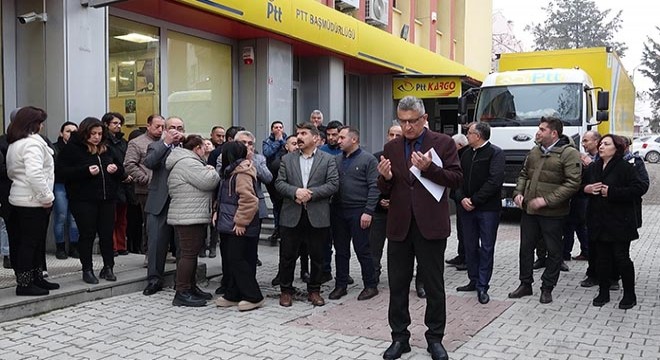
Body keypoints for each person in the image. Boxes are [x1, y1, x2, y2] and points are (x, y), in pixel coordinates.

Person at [376, 96, 462, 360]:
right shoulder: (392, 147)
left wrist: (430, 169)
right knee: (398, 285)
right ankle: (399, 337)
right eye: (402, 121)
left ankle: (435, 338)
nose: (408, 126)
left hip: (431, 225)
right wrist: (385, 178)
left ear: (424, 118)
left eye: (413, 121)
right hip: (400, 225)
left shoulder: (444, 143)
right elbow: (386, 189)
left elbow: (456, 179)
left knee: (434, 286)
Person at [509, 117, 581, 304]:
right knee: (525, 249)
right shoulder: (534, 151)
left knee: (554, 251)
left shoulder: (569, 153)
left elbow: (573, 183)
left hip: (554, 214)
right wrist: (518, 192)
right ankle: (525, 284)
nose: (538, 132)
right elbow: (524, 174)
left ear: (553, 133)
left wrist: (547, 201)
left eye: (542, 129)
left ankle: (547, 287)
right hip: (529, 212)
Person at [275, 122, 339, 308]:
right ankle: (286, 291)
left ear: (316, 138)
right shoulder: (287, 159)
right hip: (291, 215)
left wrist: (310, 194)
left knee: (318, 256)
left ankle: (314, 291)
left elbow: (333, 184)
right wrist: (295, 192)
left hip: (317, 215)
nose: (299, 137)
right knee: (287, 256)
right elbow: (279, 183)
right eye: (297, 133)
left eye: (303, 133)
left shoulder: (328, 160)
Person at [57, 117, 127, 284]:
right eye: (93, 133)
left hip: (107, 198)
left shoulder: (106, 148)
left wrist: (116, 169)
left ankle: (108, 267)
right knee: (87, 234)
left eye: (99, 133)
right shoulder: (73, 149)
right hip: (83, 200)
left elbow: (121, 170)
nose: (96, 137)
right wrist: (85, 171)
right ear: (84, 133)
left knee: (106, 233)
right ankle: (87, 269)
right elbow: (62, 173)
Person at [582, 134, 646, 309]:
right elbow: (580, 186)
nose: (601, 146)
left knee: (621, 258)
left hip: (619, 221)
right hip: (598, 220)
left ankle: (629, 295)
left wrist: (612, 192)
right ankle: (603, 292)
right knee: (601, 259)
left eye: (606, 144)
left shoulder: (626, 167)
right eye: (601, 143)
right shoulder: (594, 167)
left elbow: (638, 188)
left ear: (616, 149)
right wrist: (587, 188)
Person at [6, 106, 58, 296]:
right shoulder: (32, 144)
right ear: (33, 124)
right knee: (29, 243)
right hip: (32, 200)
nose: (42, 126)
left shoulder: (16, 142)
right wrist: (47, 197)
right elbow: (35, 174)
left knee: (32, 242)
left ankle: (36, 278)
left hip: (21, 197)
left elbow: (13, 172)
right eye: (40, 122)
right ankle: (25, 283)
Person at [454, 122, 505, 305]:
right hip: (466, 208)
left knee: (487, 247)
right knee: (469, 245)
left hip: (487, 209)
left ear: (479, 135)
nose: (467, 135)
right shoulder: (465, 153)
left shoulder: (495, 153)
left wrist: (474, 200)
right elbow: (457, 178)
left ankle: (483, 286)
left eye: (469, 133)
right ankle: (473, 279)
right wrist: (461, 198)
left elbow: (495, 180)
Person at [166, 135, 219, 307]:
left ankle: (190, 287)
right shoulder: (188, 162)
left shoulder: (188, 161)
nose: (206, 150)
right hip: (187, 216)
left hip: (191, 214)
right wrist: (212, 170)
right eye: (204, 147)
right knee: (188, 255)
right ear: (197, 148)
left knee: (191, 253)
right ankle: (182, 292)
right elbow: (209, 182)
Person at [329, 126, 379, 301]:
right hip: (338, 211)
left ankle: (370, 285)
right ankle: (341, 285)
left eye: (342, 137)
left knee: (363, 249)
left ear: (354, 139)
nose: (338, 140)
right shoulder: (336, 160)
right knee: (341, 250)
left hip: (359, 211)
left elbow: (374, 186)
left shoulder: (369, 160)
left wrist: (368, 211)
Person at [214, 141, 265, 311]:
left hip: (239, 225)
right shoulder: (230, 172)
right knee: (231, 259)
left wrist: (241, 222)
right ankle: (233, 294)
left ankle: (253, 296)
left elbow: (249, 200)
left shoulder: (242, 173)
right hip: (228, 223)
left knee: (237, 259)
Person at [143, 116, 185, 296]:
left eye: (180, 127)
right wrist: (166, 143)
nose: (176, 131)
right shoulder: (156, 145)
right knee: (156, 244)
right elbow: (149, 162)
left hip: (182, 202)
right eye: (172, 127)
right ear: (165, 130)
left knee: (183, 245)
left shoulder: (188, 146)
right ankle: (154, 280)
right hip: (159, 202)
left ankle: (183, 281)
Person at [123, 114, 165, 257]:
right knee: (150, 223)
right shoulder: (137, 143)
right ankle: (149, 254)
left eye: (163, 127)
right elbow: (129, 165)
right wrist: (144, 178)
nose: (160, 130)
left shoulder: (166, 142)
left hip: (166, 188)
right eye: (157, 126)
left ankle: (163, 252)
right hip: (146, 189)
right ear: (148, 126)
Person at [370, 124, 402, 286]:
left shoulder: (410, 157)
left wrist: (394, 201)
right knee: (375, 247)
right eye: (392, 135)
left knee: (400, 249)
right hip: (378, 210)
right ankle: (373, 276)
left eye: (398, 135)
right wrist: (379, 201)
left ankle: (400, 278)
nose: (394, 138)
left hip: (401, 211)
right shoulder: (376, 157)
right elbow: (371, 184)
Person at [102, 112, 132, 257]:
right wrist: (123, 175)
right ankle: (113, 246)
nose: (118, 126)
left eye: (120, 123)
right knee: (111, 218)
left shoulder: (123, 142)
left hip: (125, 184)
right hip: (112, 182)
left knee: (122, 218)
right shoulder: (104, 142)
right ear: (107, 124)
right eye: (115, 123)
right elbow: (110, 162)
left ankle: (121, 245)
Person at [51, 121, 80, 260]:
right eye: (68, 131)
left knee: (74, 218)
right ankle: (60, 247)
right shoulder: (54, 148)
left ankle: (74, 247)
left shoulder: (81, 148)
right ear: (61, 133)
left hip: (75, 186)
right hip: (60, 185)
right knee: (61, 216)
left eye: (74, 132)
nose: (71, 134)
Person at [446, 133, 469, 272]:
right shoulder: (462, 154)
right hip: (459, 197)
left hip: (464, 198)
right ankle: (461, 256)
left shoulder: (464, 156)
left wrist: (461, 197)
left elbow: (461, 179)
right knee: (461, 229)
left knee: (465, 230)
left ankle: (466, 258)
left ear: (459, 145)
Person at [263, 120, 287, 244]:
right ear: (272, 129)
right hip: (272, 178)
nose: (278, 129)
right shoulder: (267, 142)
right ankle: (277, 229)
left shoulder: (288, 140)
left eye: (280, 127)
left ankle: (283, 229)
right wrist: (277, 142)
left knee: (284, 205)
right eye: (275, 127)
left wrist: (282, 141)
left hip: (285, 178)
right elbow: (267, 153)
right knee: (276, 205)